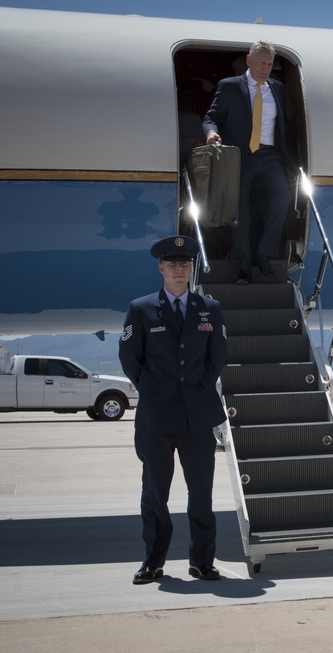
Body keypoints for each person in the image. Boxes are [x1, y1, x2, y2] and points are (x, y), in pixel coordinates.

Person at [119, 235, 228, 585]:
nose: (180, 269)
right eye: (173, 264)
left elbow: (217, 358)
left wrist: (197, 389)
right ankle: (153, 561)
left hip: (198, 418)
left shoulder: (209, 309)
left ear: (191, 269)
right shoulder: (141, 309)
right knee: (154, 495)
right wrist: (154, 389)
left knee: (201, 495)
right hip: (156, 419)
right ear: (161, 268)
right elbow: (130, 360)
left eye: (186, 264)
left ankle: (202, 562)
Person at [202, 41, 292, 284]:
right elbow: (211, 117)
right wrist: (211, 133)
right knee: (240, 213)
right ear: (249, 61)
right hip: (240, 157)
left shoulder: (277, 87)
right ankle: (244, 268)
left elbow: (282, 122)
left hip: (270, 156)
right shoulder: (229, 87)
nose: (266, 68)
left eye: (270, 64)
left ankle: (263, 254)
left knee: (282, 197)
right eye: (262, 63)